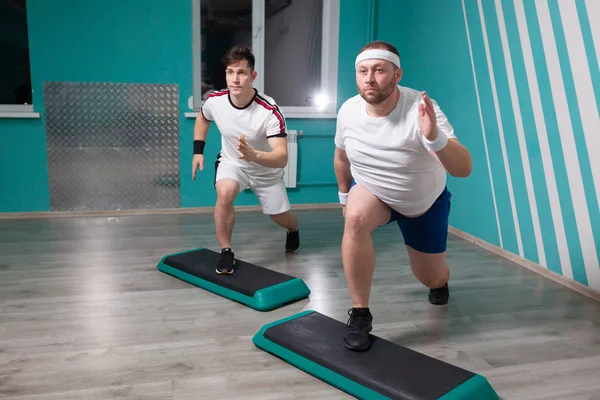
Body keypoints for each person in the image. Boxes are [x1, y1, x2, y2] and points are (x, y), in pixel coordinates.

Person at [334, 41, 473, 351]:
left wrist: (434, 138)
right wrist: (345, 198)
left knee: (431, 278)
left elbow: (463, 168)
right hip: (374, 192)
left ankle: (440, 282)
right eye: (363, 71)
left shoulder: (421, 109)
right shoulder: (348, 110)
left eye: (379, 70)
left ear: (397, 75)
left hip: (423, 203)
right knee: (355, 221)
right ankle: (360, 314)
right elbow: (341, 158)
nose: (369, 78)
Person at [192, 45, 300, 275]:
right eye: (230, 72)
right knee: (225, 193)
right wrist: (197, 151)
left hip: (266, 171)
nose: (235, 79)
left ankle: (294, 229)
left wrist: (255, 155)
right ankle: (226, 251)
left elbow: (281, 158)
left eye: (241, 73)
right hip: (233, 163)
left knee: (281, 218)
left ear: (252, 76)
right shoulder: (215, 101)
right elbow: (203, 119)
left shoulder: (269, 111)